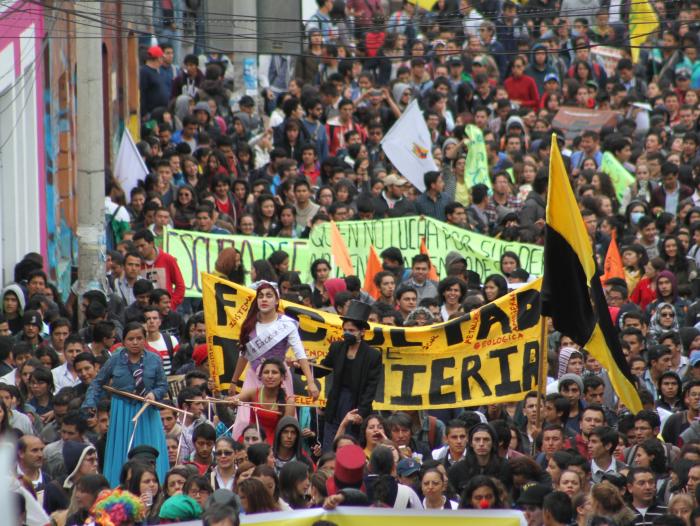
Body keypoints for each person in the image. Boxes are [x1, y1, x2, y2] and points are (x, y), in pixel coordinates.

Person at [82, 322, 170, 487]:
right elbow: (97, 382)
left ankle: (155, 486)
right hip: (122, 412)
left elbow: (163, 385)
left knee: (150, 450)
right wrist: (90, 404)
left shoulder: (154, 360)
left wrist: (154, 394)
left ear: (145, 340)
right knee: (122, 452)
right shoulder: (115, 359)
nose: (135, 342)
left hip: (147, 412)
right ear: (123, 341)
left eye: (139, 338)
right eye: (130, 339)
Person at [229, 281, 317, 438]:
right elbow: (244, 355)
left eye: (269, 296)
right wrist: (234, 381)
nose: (264, 299)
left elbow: (300, 353)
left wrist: (310, 382)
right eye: (261, 296)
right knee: (245, 419)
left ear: (277, 300)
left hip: (278, 378)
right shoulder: (250, 324)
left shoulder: (286, 324)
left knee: (281, 419)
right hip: (253, 377)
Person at [315, 301, 382, 451]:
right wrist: (302, 367)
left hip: (356, 405)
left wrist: (361, 413)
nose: (347, 333)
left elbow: (371, 387)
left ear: (362, 332)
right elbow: (323, 368)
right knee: (330, 447)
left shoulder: (372, 355)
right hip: (336, 404)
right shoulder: (337, 347)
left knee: (352, 447)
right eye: (345, 330)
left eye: (351, 330)